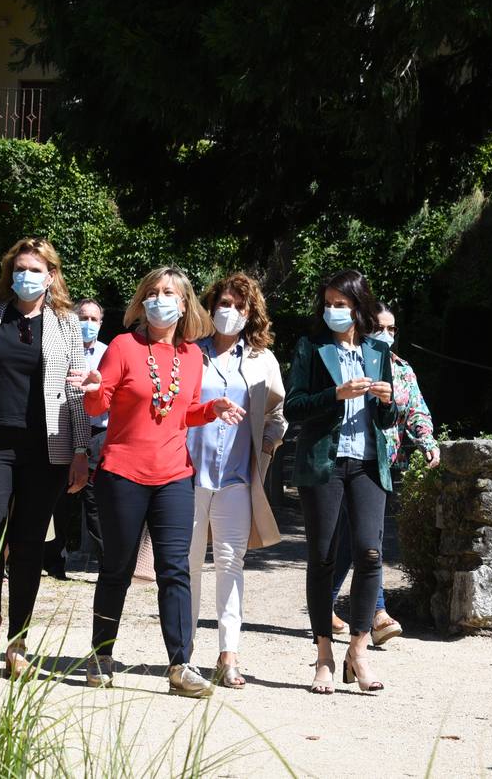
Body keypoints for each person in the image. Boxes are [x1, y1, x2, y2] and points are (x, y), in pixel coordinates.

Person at [69, 266, 246, 697]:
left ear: (183, 304)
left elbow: (180, 412)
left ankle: (180, 664)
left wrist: (211, 409)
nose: (159, 299)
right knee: (117, 569)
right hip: (122, 474)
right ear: (142, 301)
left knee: (175, 571)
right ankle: (102, 655)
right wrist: (93, 387)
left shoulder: (191, 355)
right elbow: (97, 407)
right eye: (152, 292)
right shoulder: (124, 347)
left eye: (168, 292)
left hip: (174, 477)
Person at [0, 237, 91, 678]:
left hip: (46, 447)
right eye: (20, 268)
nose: (27, 275)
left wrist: (82, 449)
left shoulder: (66, 323)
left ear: (51, 275)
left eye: (36, 268)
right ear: (11, 272)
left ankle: (17, 642)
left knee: (28, 545)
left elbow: (77, 392)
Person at [284, 269, 397, 694]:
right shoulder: (311, 348)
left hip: (368, 463)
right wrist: (336, 394)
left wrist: (387, 401)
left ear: (358, 307)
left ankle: (359, 651)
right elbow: (294, 407)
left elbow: (387, 419)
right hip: (325, 465)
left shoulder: (377, 350)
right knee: (324, 557)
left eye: (341, 303)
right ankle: (324, 655)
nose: (333, 310)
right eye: (328, 303)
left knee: (370, 553)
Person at [185, 273, 287, 689]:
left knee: (231, 563)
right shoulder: (191, 352)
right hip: (188, 473)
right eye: (224, 303)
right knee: (187, 565)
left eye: (240, 307)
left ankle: (229, 655)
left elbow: (277, 416)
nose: (230, 312)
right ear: (211, 307)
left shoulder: (263, 359)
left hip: (237, 479)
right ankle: (183, 653)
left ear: (251, 314)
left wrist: (264, 452)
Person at [328, 303, 440, 644]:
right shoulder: (350, 362)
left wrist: (427, 441)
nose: (386, 335)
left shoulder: (402, 369)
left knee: (353, 540)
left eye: (392, 330)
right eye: (380, 327)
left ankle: (323, 602)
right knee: (370, 538)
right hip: (349, 463)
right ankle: (377, 615)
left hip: (385, 467)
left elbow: (416, 410)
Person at [43, 298, 109, 579]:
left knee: (96, 503)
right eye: (83, 317)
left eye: (94, 319)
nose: (88, 324)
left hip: (100, 433)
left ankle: (108, 565)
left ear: (101, 323)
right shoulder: (59, 350)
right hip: (65, 431)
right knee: (60, 498)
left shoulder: (109, 354)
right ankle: (53, 562)